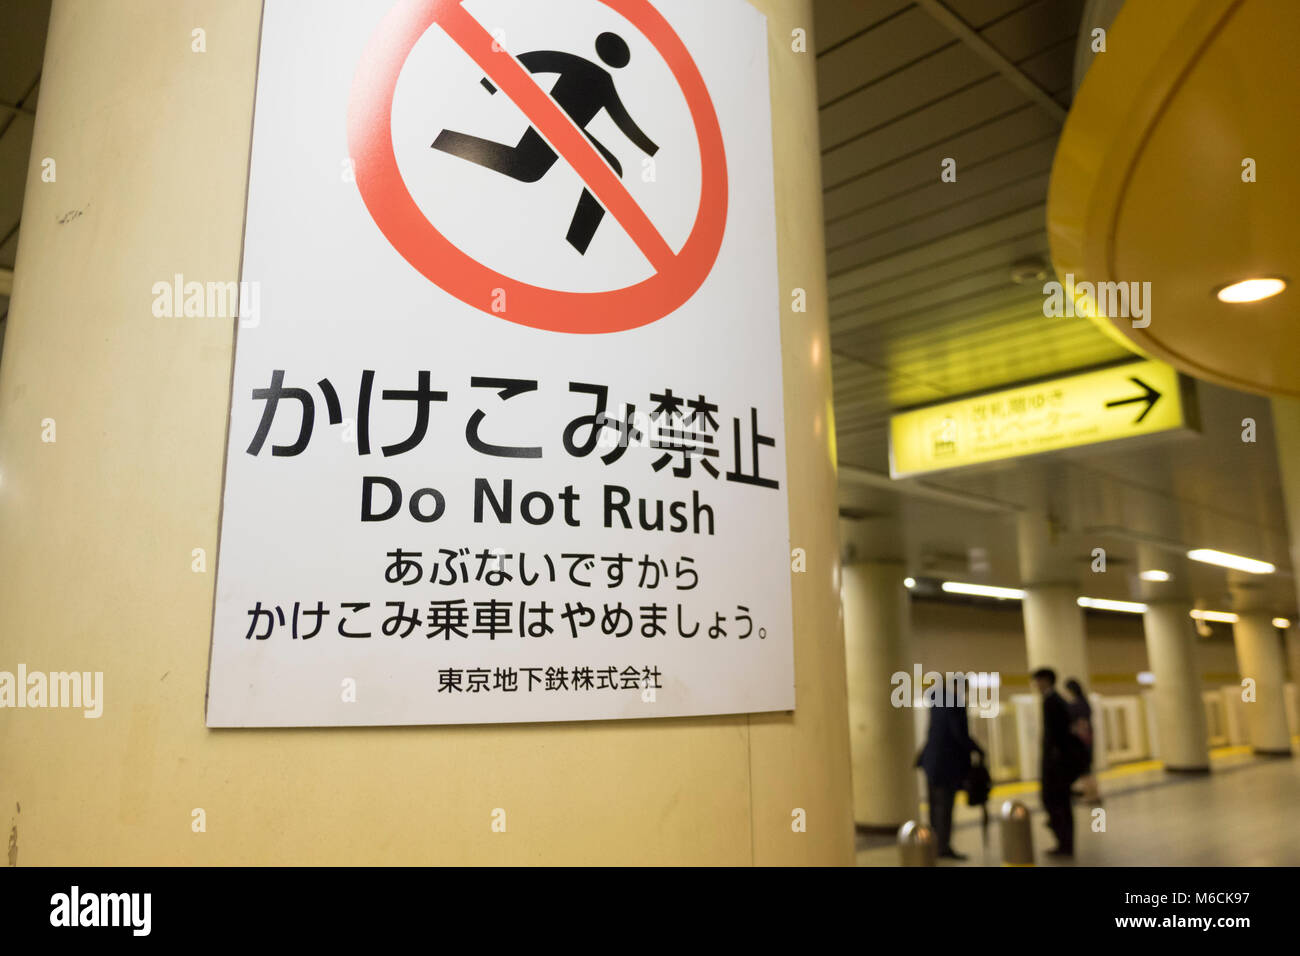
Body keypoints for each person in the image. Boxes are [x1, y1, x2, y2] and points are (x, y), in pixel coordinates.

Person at [431, 32, 658, 254]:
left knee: (599, 168)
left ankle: (575, 245)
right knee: (529, 167)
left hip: (569, 132)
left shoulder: (602, 80)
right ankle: (447, 141)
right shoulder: (590, 72)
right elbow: (534, 61)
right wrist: (490, 82)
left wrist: (651, 149)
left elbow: (622, 120)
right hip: (549, 119)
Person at [916, 678, 985, 860]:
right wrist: (977, 749)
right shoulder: (955, 704)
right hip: (947, 765)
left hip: (931, 763)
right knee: (945, 808)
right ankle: (943, 847)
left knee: (934, 807)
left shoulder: (936, 703)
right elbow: (959, 734)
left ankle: (933, 842)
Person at [1031, 667, 1078, 857]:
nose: (1036, 685)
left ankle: (1064, 843)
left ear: (1047, 681)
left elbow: (1057, 736)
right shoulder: (1053, 700)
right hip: (1057, 764)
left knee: (1057, 803)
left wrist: (1052, 761)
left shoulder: (1053, 701)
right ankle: (1064, 842)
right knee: (1059, 803)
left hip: (1056, 766)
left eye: (1038, 681)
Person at [1064, 677, 1101, 804]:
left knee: (1085, 771)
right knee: (1088, 770)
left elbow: (1077, 723)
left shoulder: (1076, 705)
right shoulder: (1085, 703)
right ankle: (1093, 793)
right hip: (1088, 740)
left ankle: (1091, 795)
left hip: (1081, 742)